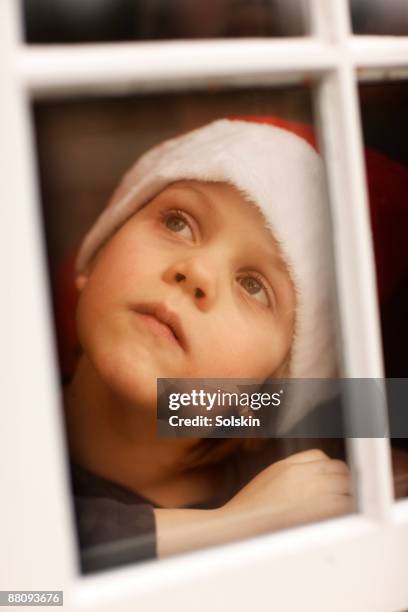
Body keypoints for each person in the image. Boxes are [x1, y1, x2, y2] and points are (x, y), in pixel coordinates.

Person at [61, 116, 353, 574]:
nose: (196, 272)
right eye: (178, 222)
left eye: (254, 286)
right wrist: (234, 524)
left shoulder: (308, 525)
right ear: (95, 258)